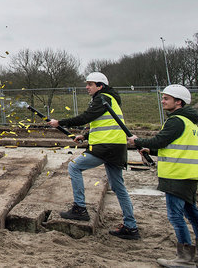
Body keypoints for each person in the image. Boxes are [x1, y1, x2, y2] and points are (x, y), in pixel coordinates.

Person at [48, 72, 139, 239]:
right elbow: (105, 123)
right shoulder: (109, 99)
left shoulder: (102, 98)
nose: (87, 87)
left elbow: (85, 117)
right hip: (115, 147)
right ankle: (131, 226)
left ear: (100, 86)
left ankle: (80, 208)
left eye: (90, 84)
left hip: (105, 147)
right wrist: (86, 136)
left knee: (74, 166)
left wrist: (59, 122)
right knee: (118, 187)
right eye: (87, 84)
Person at [128, 85, 198, 267]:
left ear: (178, 102)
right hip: (188, 175)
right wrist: (149, 149)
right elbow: (172, 146)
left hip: (176, 175)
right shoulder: (190, 122)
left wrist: (138, 141)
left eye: (167, 98)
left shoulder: (177, 120)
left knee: (175, 215)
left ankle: (185, 258)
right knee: (191, 213)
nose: (163, 101)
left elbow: (160, 140)